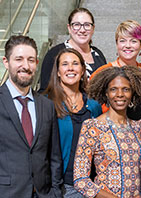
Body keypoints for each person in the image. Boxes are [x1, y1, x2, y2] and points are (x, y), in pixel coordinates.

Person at [0, 35, 62, 197]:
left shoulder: (47, 106)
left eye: (31, 60)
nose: (25, 66)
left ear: (37, 64)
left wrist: (55, 192)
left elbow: (54, 156)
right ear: (6, 62)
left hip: (42, 194)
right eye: (19, 59)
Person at [73, 66, 141, 197]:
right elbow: (80, 180)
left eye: (126, 89)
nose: (120, 94)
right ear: (106, 93)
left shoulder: (139, 128)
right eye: (113, 89)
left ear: (132, 93)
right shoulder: (92, 127)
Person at [43, 48, 102, 197]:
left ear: (82, 70)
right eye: (65, 64)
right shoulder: (46, 103)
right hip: (60, 186)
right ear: (57, 71)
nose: (70, 68)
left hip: (90, 185)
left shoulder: (94, 106)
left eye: (75, 63)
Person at [90, 19, 141, 128]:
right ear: (116, 43)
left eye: (133, 41)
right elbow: (94, 109)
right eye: (122, 40)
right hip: (108, 133)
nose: (128, 45)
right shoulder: (102, 73)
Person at [39, 7, 106, 92]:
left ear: (93, 29)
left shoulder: (98, 54)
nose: (82, 30)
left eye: (87, 25)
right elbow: (45, 90)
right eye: (77, 25)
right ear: (69, 28)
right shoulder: (55, 53)